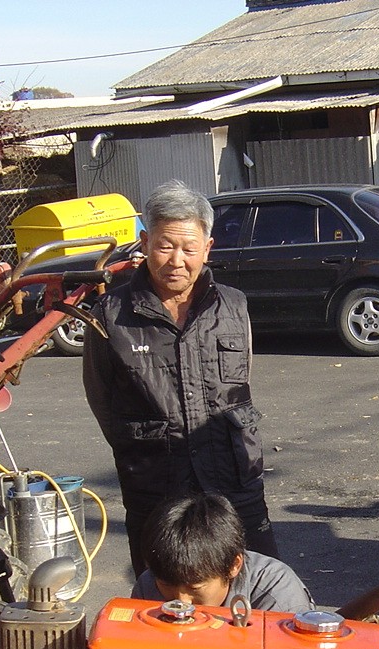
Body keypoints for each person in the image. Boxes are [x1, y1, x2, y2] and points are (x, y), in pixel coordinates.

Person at [84, 179, 278, 576]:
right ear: (144, 242)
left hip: (233, 480)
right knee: (164, 599)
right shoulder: (109, 315)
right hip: (155, 486)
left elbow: (241, 387)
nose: (177, 260)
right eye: (165, 245)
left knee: (259, 588)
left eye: (189, 248)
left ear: (207, 248)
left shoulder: (234, 305)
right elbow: (103, 400)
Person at [132, 493, 312, 612]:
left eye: (194, 588)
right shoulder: (149, 584)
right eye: (166, 586)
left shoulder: (278, 597)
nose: (181, 602)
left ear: (234, 565)